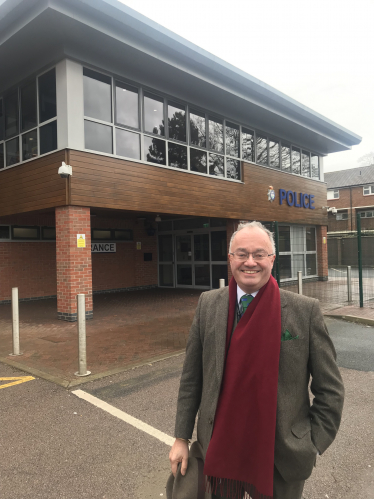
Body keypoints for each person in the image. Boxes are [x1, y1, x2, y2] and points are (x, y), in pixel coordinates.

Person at [169, 221, 344, 499]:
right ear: (230, 259)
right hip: (221, 449)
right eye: (241, 254)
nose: (250, 262)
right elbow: (192, 378)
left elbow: (330, 389)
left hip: (281, 457)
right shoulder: (208, 305)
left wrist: (311, 442)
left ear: (272, 259)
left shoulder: (304, 311)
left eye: (259, 254)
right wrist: (181, 437)